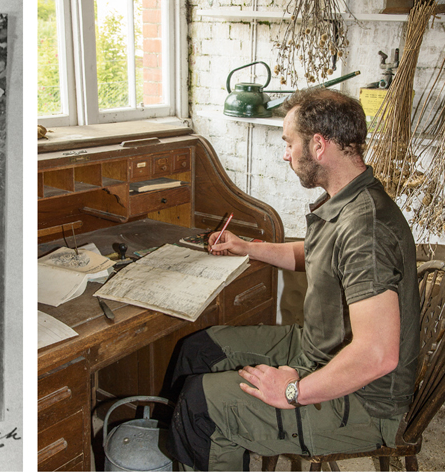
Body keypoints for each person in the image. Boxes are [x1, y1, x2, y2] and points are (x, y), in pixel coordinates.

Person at [167, 88, 420, 470]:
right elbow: (314, 255)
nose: (285, 154)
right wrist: (247, 247)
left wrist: (292, 390)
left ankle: (199, 435)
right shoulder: (349, 198)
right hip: (318, 346)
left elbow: (376, 355)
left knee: (199, 406)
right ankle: (185, 442)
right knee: (198, 349)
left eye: (289, 143)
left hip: (366, 402)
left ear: (318, 146)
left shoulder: (365, 228)